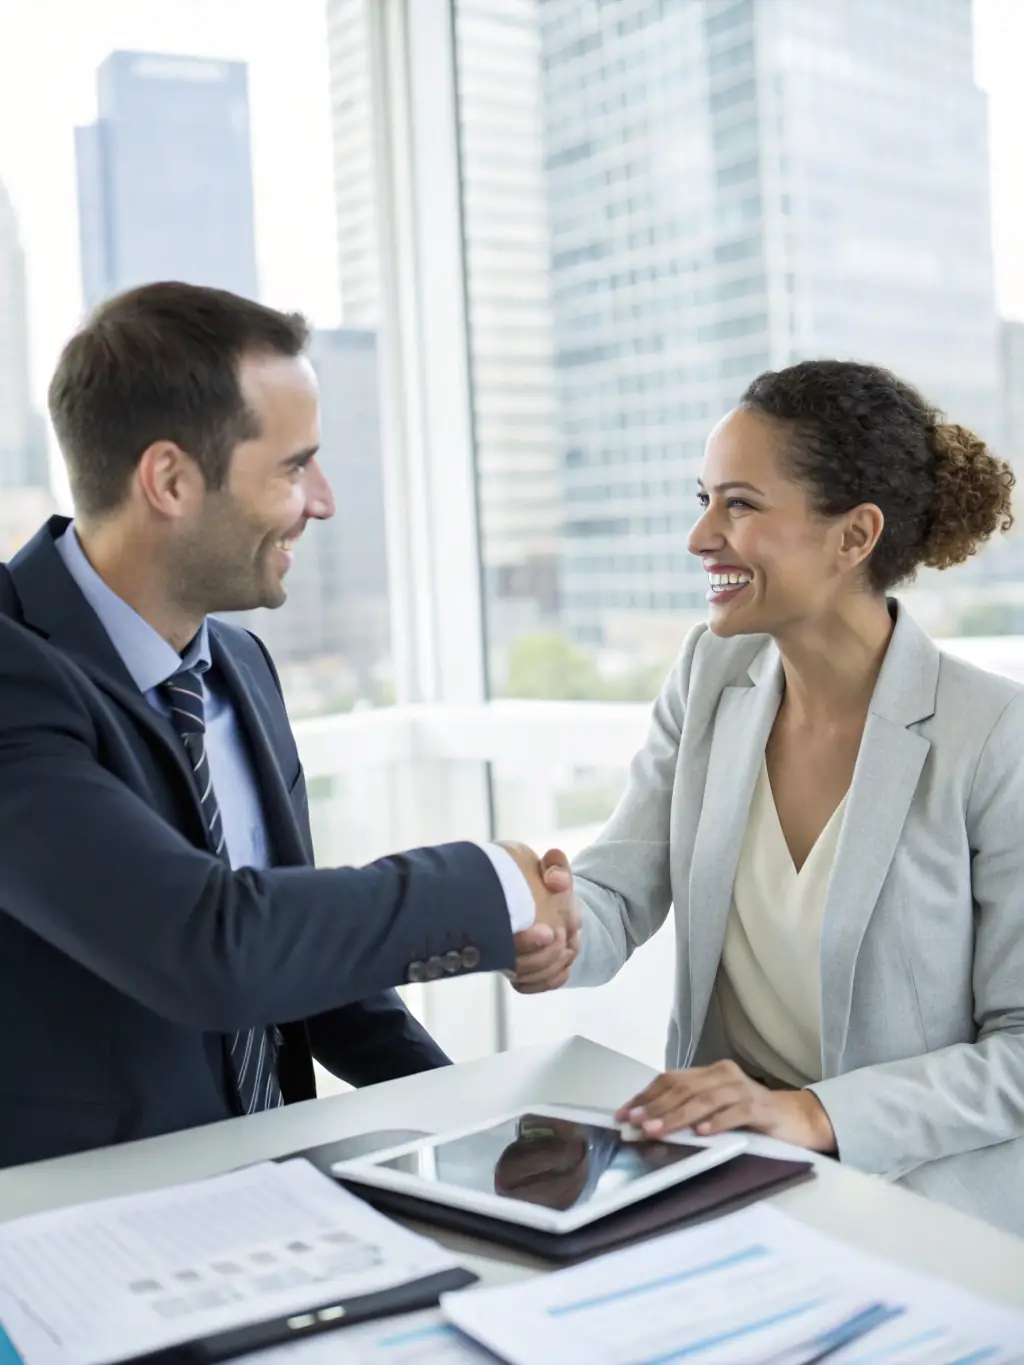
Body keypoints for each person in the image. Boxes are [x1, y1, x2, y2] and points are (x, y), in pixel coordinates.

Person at [0, 282, 577, 1168]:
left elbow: (302, 972)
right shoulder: (15, 672)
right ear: (170, 480)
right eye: (293, 466)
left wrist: (479, 1135)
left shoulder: (240, 665)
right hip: (77, 1233)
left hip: (275, 1199)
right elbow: (209, 944)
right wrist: (486, 885)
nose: (324, 500)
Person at [514, 359, 1024, 1237]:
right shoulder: (713, 675)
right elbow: (620, 888)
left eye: (739, 504)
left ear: (854, 536)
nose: (700, 535)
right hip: (727, 1180)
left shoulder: (992, 737)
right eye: (704, 499)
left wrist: (814, 1113)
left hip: (924, 1209)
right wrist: (553, 924)